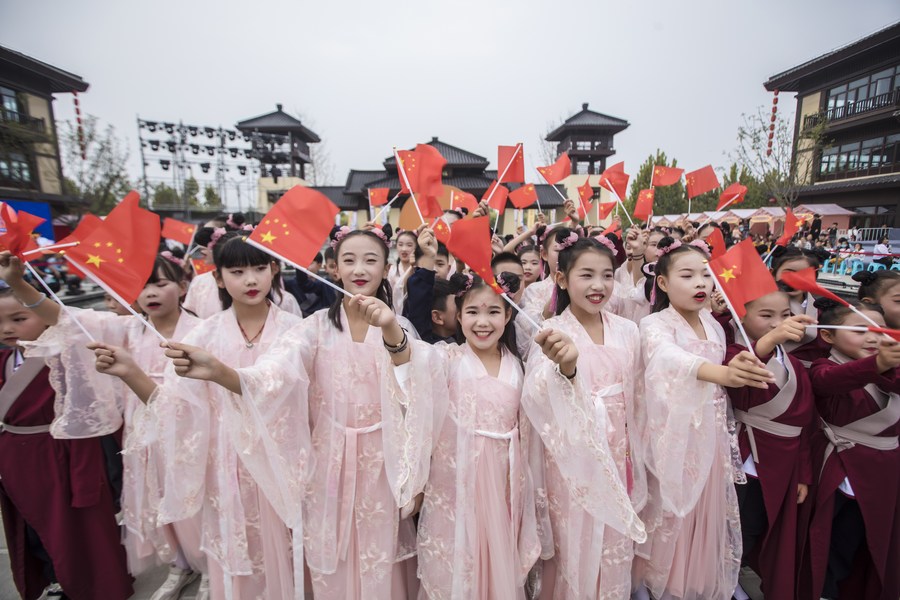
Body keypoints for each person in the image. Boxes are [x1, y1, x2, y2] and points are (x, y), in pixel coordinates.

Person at [90, 232, 312, 599]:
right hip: (226, 467)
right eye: (237, 271)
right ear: (218, 277)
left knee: (290, 558)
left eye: (260, 268)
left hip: (283, 462)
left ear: (275, 271)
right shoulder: (203, 334)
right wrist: (130, 372)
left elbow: (288, 387)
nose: (251, 280)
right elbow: (173, 408)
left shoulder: (298, 330)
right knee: (238, 560)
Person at [19, 254, 208, 598]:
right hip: (144, 429)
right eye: (141, 285)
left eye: (160, 283)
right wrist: (18, 282)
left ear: (183, 287)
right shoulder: (126, 328)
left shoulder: (204, 330)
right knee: (155, 493)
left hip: (192, 430)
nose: (150, 292)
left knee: (199, 494)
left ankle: (209, 566)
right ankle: (178, 563)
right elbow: (65, 317)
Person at [632, 236, 774, 600]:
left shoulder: (713, 323)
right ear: (662, 283)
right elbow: (667, 360)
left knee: (705, 509)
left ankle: (695, 581)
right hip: (672, 435)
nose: (700, 283)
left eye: (705, 275)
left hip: (709, 433)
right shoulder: (654, 325)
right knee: (670, 511)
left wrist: (737, 365)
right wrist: (723, 374)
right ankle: (658, 582)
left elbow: (724, 366)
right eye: (687, 275)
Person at [0, 253, 134, 600]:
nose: (8, 329)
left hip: (61, 453)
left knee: (77, 529)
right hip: (17, 458)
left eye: (18, 318)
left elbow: (82, 412)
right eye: (0, 322)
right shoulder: (3, 359)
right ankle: (50, 578)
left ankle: (92, 585)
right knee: (31, 527)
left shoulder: (67, 356)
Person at [522, 235, 647, 598]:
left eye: (607, 276)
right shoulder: (552, 333)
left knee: (613, 535)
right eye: (587, 275)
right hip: (572, 458)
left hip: (619, 450)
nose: (598, 286)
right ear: (562, 279)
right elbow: (535, 396)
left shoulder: (628, 330)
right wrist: (565, 369)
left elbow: (637, 395)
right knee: (575, 537)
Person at [412, 272, 541, 598]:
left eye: (493, 312)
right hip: (458, 484)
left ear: (509, 314)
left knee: (497, 557)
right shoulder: (444, 359)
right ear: (458, 313)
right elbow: (407, 359)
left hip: (504, 483)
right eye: (472, 312)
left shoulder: (519, 366)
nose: (482, 321)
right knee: (460, 558)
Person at [800, 299, 900, 600]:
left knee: (870, 545)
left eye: (878, 330)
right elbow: (828, 382)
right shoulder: (823, 367)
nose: (872, 338)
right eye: (859, 330)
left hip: (884, 474)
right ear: (828, 335)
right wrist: (878, 364)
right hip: (840, 471)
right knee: (830, 548)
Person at [722, 291, 817, 600]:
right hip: (748, 457)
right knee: (739, 527)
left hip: (784, 461)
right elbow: (741, 375)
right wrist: (766, 342)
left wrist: (803, 472)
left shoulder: (792, 362)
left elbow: (802, 421)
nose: (779, 324)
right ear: (740, 316)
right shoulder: (733, 351)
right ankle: (725, 582)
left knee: (766, 527)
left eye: (785, 316)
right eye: (766, 316)